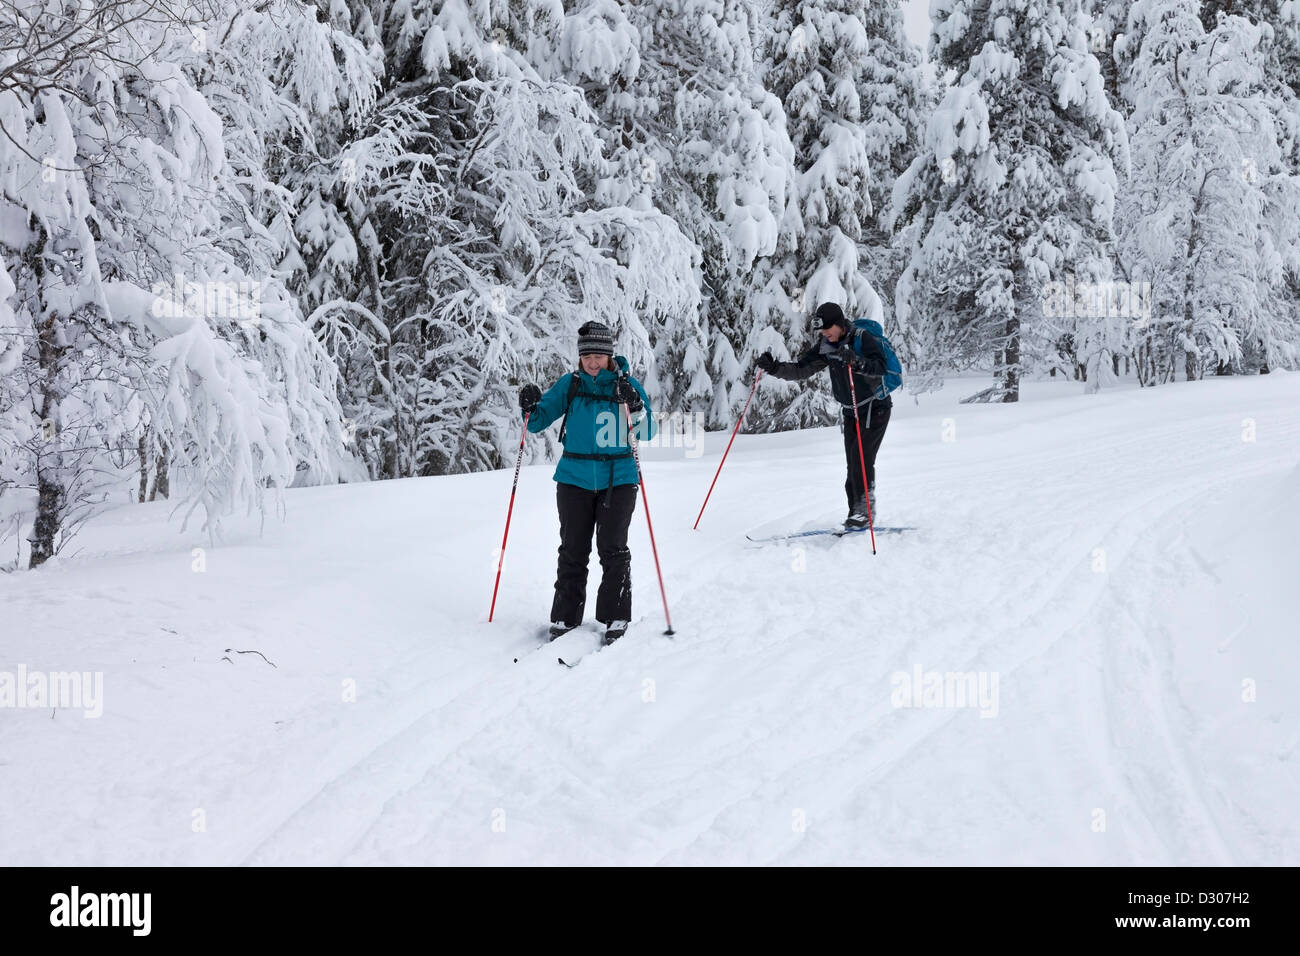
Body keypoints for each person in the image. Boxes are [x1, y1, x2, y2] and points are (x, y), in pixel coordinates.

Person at [518, 321, 655, 644]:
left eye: (599, 356)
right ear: (580, 358)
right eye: (587, 356)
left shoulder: (626, 385)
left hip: (618, 479)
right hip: (573, 479)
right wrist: (528, 406)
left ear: (610, 356)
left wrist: (634, 404)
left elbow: (648, 432)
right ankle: (566, 617)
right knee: (572, 550)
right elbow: (536, 422)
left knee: (613, 548)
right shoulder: (571, 384)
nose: (593, 362)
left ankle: (615, 616)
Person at [756, 302, 891, 528]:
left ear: (839, 324)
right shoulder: (827, 346)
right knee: (852, 464)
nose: (825, 333)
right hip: (851, 411)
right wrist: (774, 368)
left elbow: (880, 367)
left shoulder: (862, 338)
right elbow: (802, 368)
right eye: (822, 330)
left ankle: (865, 512)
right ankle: (855, 514)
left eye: (829, 328)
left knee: (861, 458)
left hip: (874, 408)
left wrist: (856, 361)